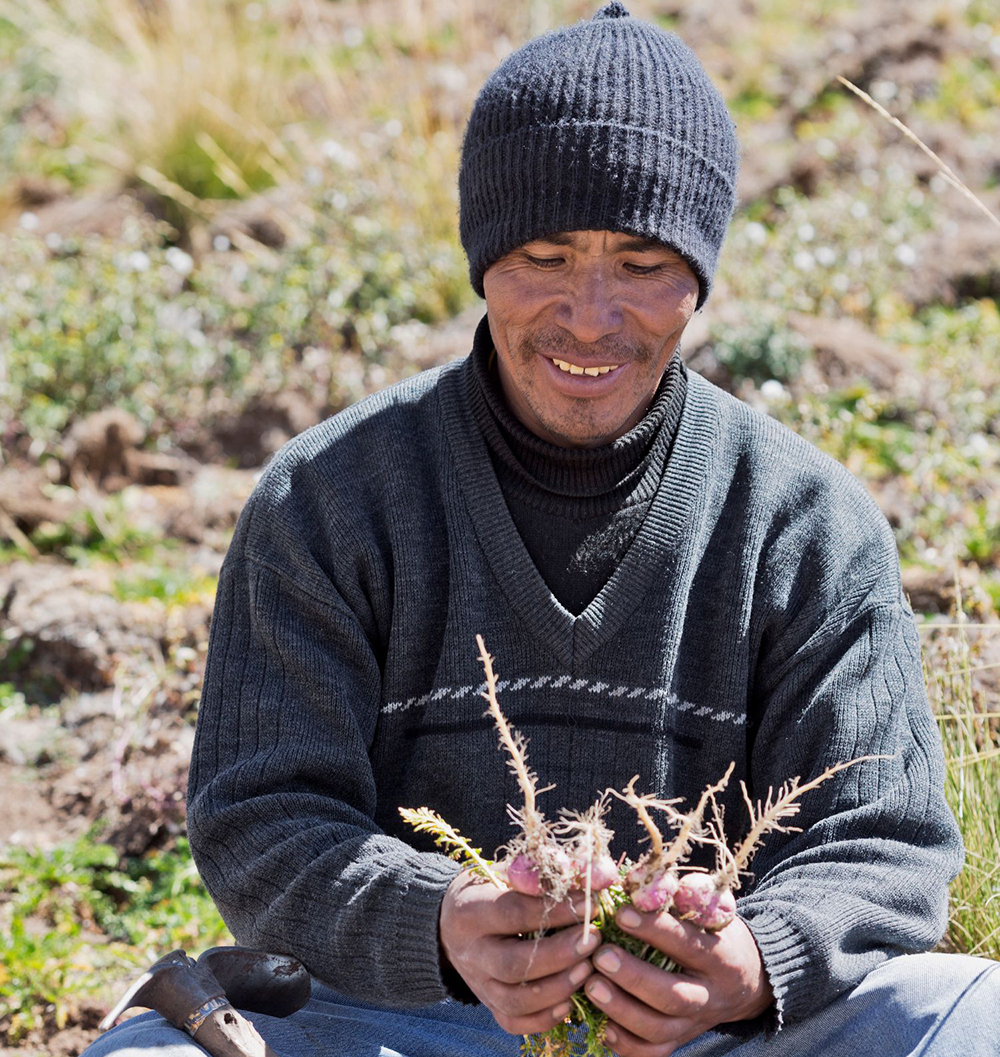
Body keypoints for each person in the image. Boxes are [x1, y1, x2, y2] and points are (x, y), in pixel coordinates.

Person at [86, 4, 999, 1056]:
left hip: (707, 1038)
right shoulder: (327, 502)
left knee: (966, 1013)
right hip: (411, 1027)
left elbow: (884, 840)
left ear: (700, 272)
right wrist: (442, 921)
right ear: (482, 256)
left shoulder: (804, 522)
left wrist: (752, 963)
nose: (590, 315)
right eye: (546, 256)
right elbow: (262, 819)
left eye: (643, 262)